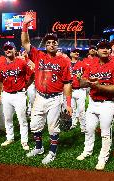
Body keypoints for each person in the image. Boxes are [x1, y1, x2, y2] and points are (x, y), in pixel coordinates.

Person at [21, 11, 72, 164]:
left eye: (54, 42)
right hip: (39, 97)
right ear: (45, 44)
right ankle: (39, 147)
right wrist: (25, 25)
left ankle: (52, 152)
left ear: (58, 45)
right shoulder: (38, 55)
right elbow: (25, 43)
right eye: (48, 42)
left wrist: (68, 104)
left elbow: (67, 83)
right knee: (35, 125)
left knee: (53, 127)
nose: (51, 44)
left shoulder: (64, 61)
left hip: (55, 99)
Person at [76, 40, 114, 170]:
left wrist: (99, 86)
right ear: (97, 51)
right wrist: (85, 80)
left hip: (107, 103)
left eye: (107, 48)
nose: (105, 50)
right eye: (102, 48)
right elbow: (81, 84)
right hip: (92, 102)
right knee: (89, 129)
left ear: (110, 51)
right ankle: (87, 151)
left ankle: (103, 157)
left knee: (105, 132)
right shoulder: (91, 65)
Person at [0, 41, 33, 151]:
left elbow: (32, 75)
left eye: (10, 48)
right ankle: (10, 138)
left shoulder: (21, 62)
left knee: (22, 119)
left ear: (14, 50)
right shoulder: (1, 64)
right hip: (6, 94)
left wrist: (26, 86)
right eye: (6, 48)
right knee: (7, 118)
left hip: (19, 94)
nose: (8, 50)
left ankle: (24, 141)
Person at [69, 47, 87, 132]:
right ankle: (73, 123)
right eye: (74, 52)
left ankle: (83, 127)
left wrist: (82, 79)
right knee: (72, 109)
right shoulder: (67, 64)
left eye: (77, 52)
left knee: (81, 110)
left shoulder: (82, 64)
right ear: (71, 53)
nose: (77, 53)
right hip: (70, 90)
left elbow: (87, 74)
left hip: (80, 90)